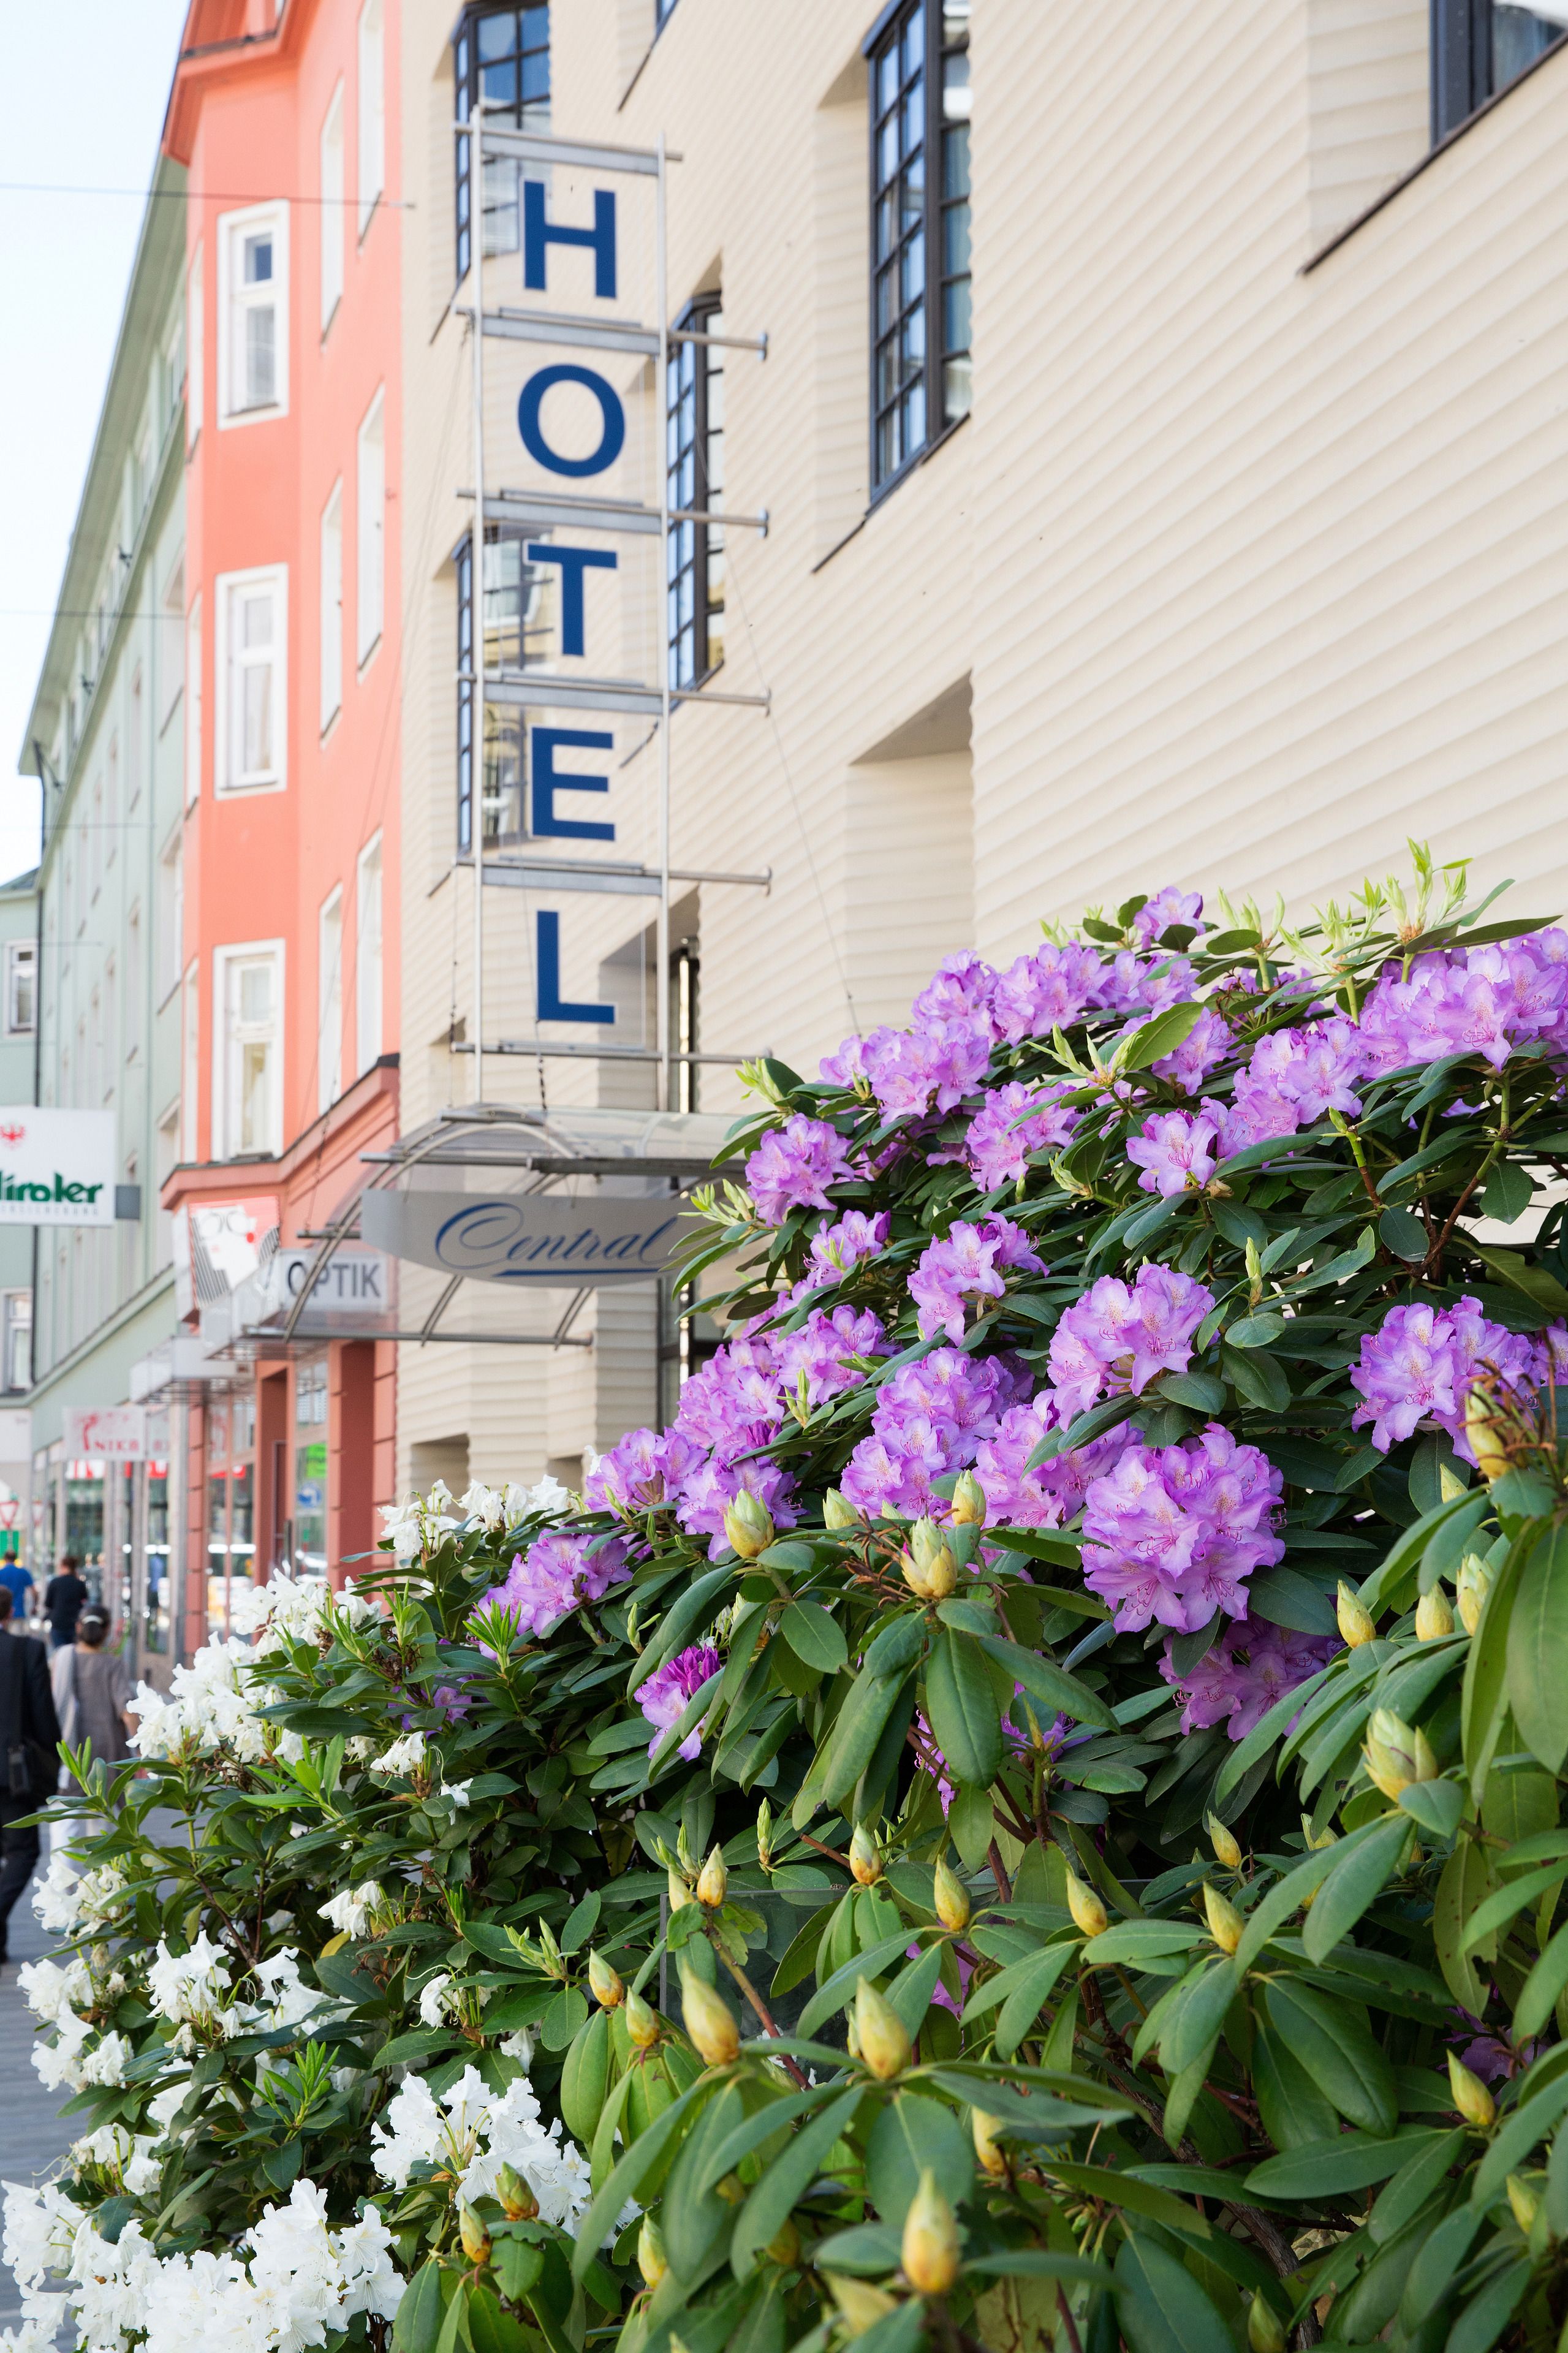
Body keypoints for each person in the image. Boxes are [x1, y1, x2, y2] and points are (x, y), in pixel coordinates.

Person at [0, 1585, 60, 1965]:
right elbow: (43, 1715)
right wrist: (56, 1760)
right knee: (23, 1851)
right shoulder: (26, 1650)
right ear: (10, 1612)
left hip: (11, 1772)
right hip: (13, 1772)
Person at [51, 1607, 135, 1770]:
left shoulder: (61, 1658)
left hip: (74, 1745)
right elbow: (127, 1710)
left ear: (78, 1627)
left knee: (77, 1793)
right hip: (111, 1746)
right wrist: (141, 1748)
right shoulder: (113, 1664)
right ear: (107, 1630)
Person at [43, 1556, 88, 1650]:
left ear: (64, 1566)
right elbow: (84, 1602)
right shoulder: (79, 1584)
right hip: (74, 1623)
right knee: (74, 1653)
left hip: (58, 1623)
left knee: (60, 1653)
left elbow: (48, 1604)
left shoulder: (55, 1582)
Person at [0, 1555, 32, 1627]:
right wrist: (35, 1606)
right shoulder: (23, 1572)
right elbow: (34, 1591)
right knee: (17, 1637)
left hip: (2, 1615)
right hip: (19, 1612)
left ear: (5, 1559)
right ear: (15, 1559)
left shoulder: (1, 1573)